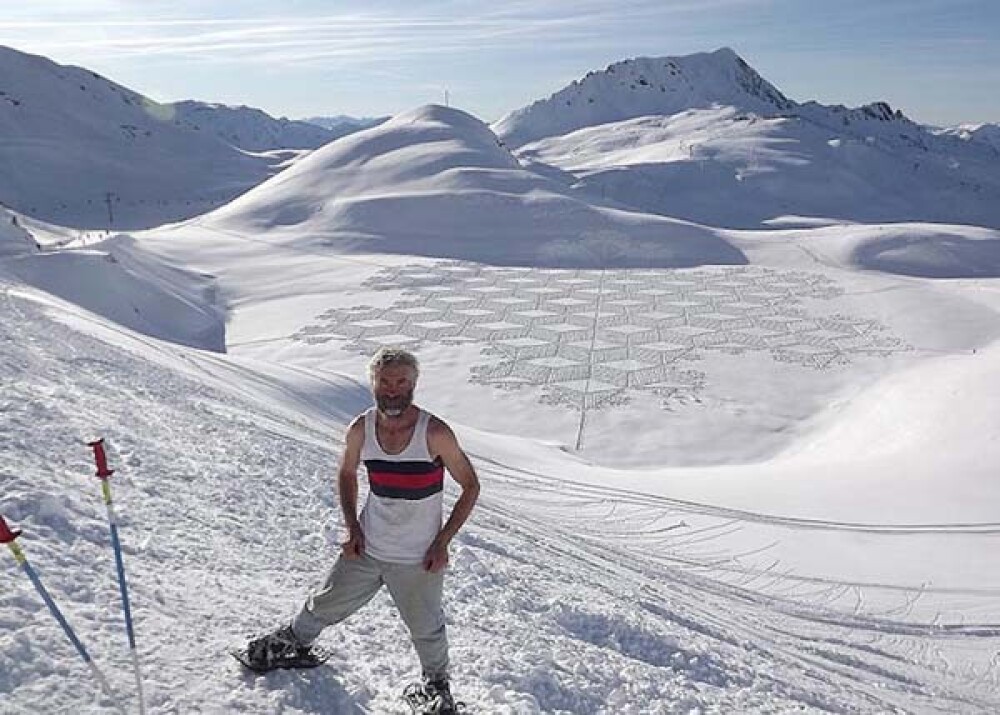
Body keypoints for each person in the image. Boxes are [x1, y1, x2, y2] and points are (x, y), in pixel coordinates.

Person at [243, 346, 480, 712]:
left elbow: (470, 485)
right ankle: (293, 643)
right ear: (373, 383)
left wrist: (442, 541)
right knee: (326, 600)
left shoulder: (434, 433)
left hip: (417, 556)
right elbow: (347, 473)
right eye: (385, 381)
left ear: (414, 384)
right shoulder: (361, 429)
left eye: (401, 382)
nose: (392, 390)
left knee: (426, 627)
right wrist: (353, 528)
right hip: (369, 545)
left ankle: (436, 686)